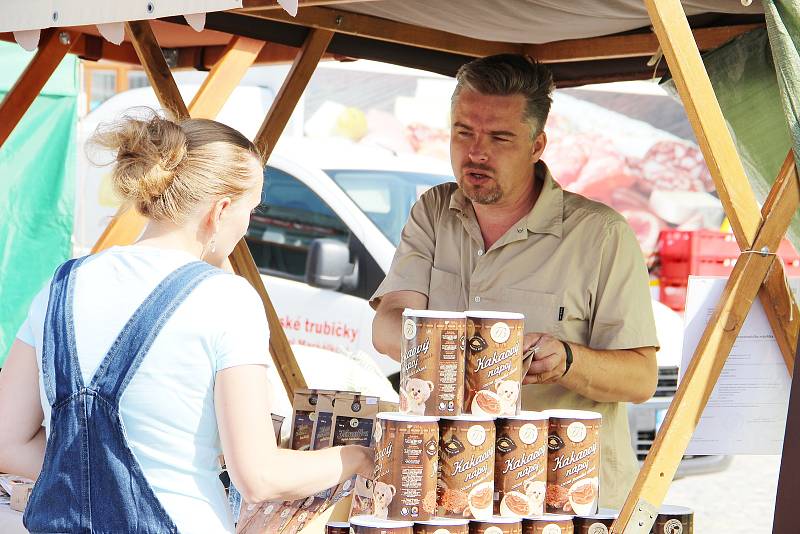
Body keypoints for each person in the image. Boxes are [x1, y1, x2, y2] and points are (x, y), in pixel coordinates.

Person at [0, 112, 373, 533]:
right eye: (251, 211)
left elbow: (7, 442)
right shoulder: (226, 299)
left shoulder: (61, 283)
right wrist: (356, 457)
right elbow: (259, 476)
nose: (246, 227)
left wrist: (95, 476)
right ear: (221, 210)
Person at [371, 54, 659, 508]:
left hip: (561, 501)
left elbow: (641, 379)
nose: (476, 152)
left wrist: (566, 360)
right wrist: (451, 349)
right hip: (449, 492)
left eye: (500, 137)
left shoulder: (601, 235)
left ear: (537, 144)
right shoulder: (433, 210)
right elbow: (388, 323)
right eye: (463, 132)